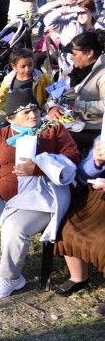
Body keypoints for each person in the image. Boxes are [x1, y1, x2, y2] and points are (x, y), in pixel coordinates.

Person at [0, 88, 79, 298]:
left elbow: (72, 157)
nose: (33, 115)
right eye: (25, 112)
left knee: (15, 227)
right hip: (4, 197)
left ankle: (11, 277)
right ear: (10, 118)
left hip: (42, 198)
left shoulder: (52, 129)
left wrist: (38, 168)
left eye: (34, 109)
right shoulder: (1, 135)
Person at [53, 134, 105, 313]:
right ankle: (79, 277)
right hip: (98, 196)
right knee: (68, 226)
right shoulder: (103, 137)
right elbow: (82, 174)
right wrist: (96, 163)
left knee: (102, 241)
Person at [48, 32, 105, 151]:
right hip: (72, 121)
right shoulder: (72, 70)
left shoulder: (102, 73)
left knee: (52, 136)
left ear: (89, 53)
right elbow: (56, 93)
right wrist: (53, 108)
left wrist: (76, 105)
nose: (70, 57)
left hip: (94, 127)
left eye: (74, 54)